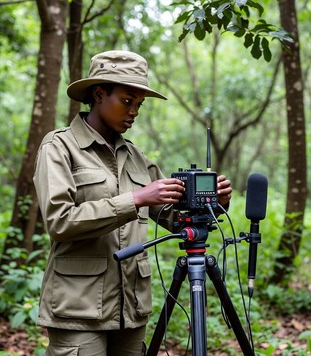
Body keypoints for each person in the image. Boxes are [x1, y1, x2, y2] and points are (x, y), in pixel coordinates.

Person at [33, 50, 232, 356]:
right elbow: (59, 221)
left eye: (139, 104)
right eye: (127, 101)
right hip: (79, 310)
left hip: (131, 308)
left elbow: (173, 218)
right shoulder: (59, 147)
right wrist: (136, 199)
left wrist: (212, 204)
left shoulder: (136, 157)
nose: (134, 112)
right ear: (99, 94)